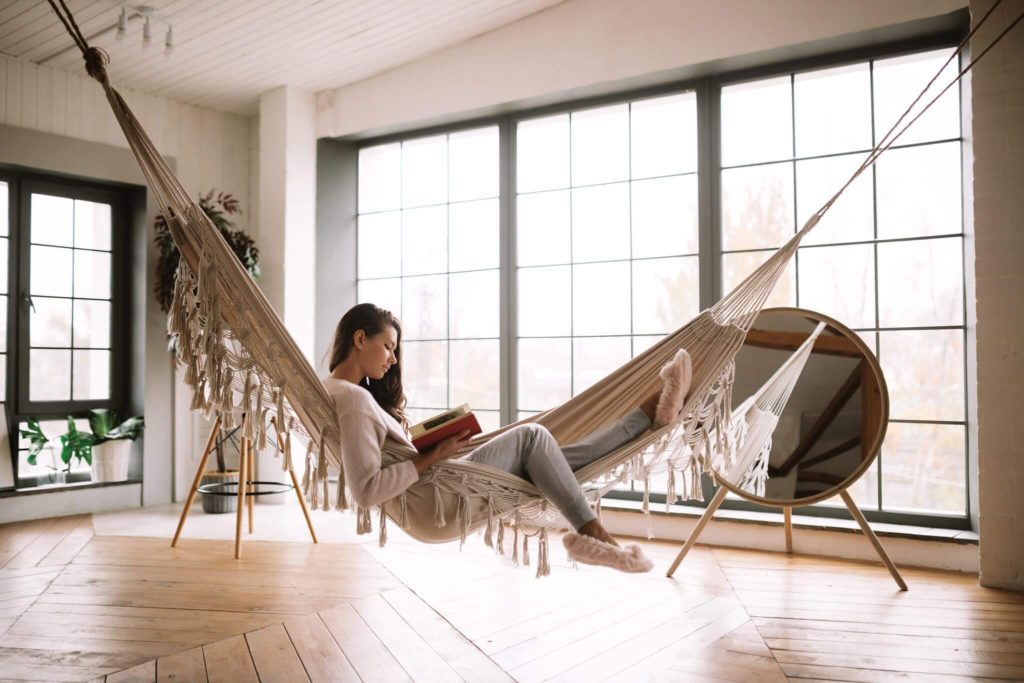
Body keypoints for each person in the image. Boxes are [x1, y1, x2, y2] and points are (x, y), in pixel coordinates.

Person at [322, 303, 691, 572]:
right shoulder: (354, 400)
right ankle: (592, 531)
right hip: (439, 497)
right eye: (388, 346)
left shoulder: (340, 392)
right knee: (532, 437)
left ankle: (649, 416)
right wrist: (434, 456)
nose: (392, 360)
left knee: (551, 460)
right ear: (360, 339)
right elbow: (365, 490)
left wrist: (433, 447)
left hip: (437, 491)